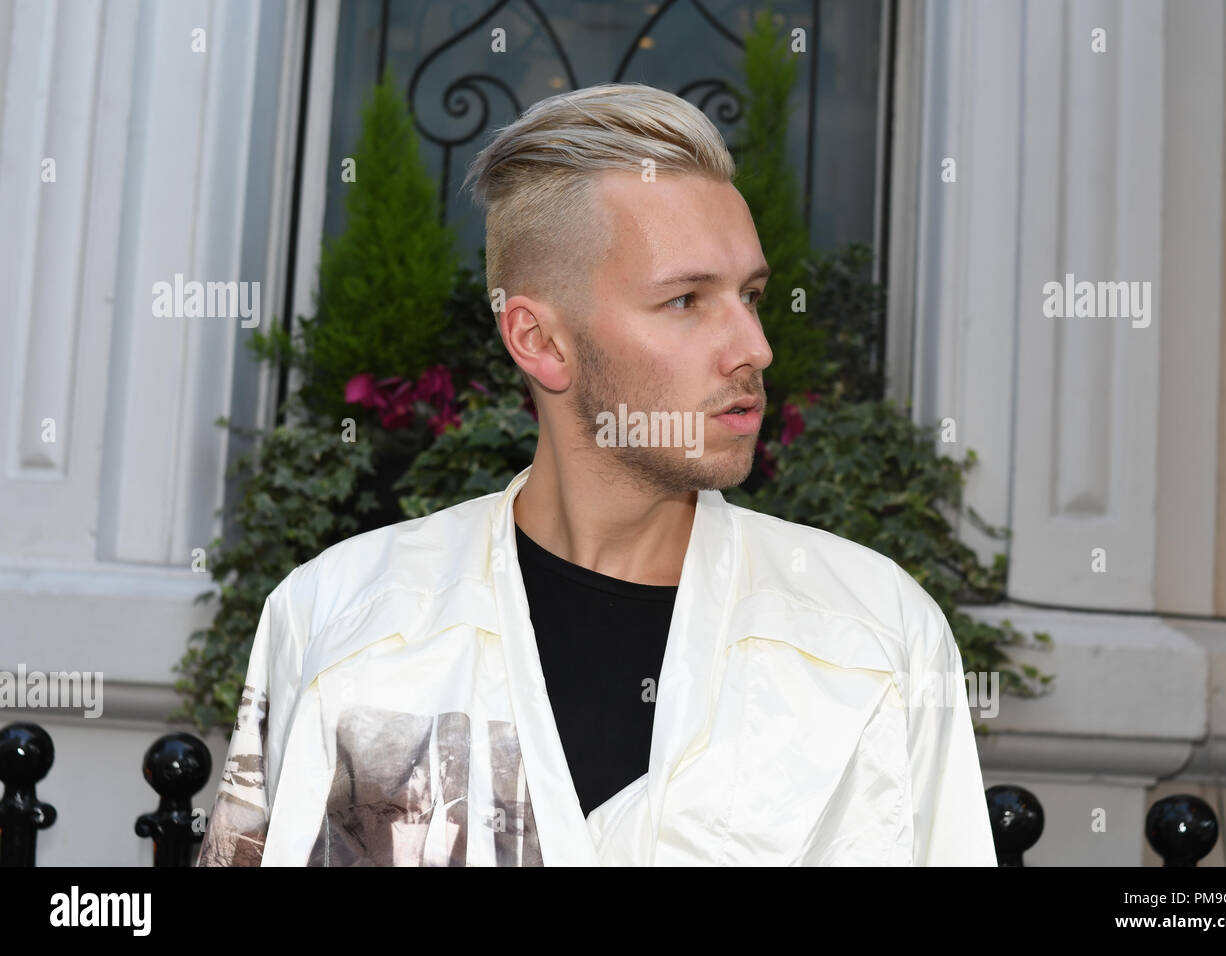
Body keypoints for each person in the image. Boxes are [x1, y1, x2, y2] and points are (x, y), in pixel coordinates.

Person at [197, 82, 997, 867]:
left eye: (751, 294)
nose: (754, 347)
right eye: (687, 300)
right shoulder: (341, 616)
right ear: (540, 341)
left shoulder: (872, 634)